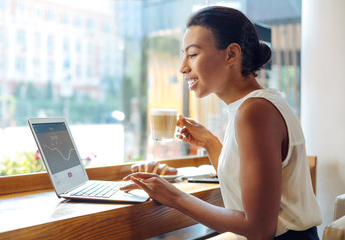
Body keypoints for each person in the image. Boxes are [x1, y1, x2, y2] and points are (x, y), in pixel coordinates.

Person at [120, 6, 322, 240]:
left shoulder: (254, 112)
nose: (183, 67)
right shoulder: (257, 103)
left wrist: (174, 197)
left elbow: (259, 229)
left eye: (193, 54)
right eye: (183, 55)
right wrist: (209, 142)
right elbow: (245, 185)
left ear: (231, 55)